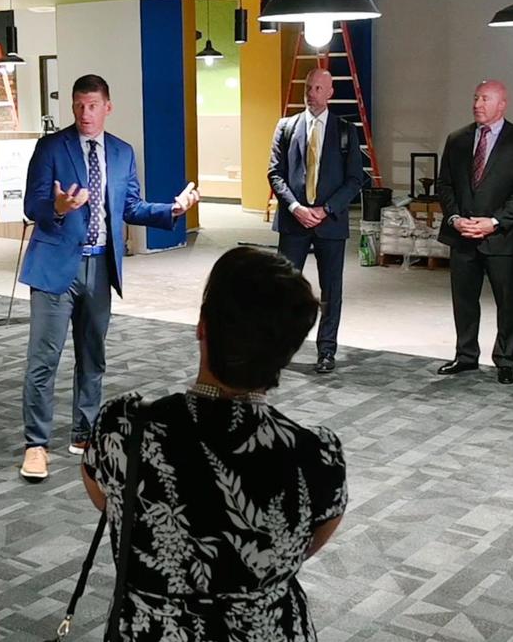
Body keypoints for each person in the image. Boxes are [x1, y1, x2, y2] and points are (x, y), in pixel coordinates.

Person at [81, 246, 346, 641]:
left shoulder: (124, 425)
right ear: (288, 350)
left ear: (202, 326)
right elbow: (306, 544)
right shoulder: (317, 454)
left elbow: (108, 502)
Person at [18, 74, 199, 481]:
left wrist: (171, 209)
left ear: (108, 106)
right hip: (54, 268)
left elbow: (130, 206)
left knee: (92, 357)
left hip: (100, 268)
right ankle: (35, 445)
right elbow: (33, 205)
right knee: (43, 360)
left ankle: (84, 434)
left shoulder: (121, 152)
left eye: (93, 105)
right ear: (72, 106)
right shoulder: (51, 147)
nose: (85, 113)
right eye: (79, 105)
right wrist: (60, 206)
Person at [436, 80, 513, 385]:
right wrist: (455, 218)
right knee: (464, 300)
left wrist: (494, 221)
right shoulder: (457, 139)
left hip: (500, 237)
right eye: (476, 98)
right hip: (462, 235)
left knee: (507, 302)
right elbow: (445, 184)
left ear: (502, 104)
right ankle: (466, 356)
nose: (477, 104)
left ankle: (505, 360)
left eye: (485, 99)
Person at [268, 67, 365, 375]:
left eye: (318, 89)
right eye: (308, 87)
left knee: (331, 290)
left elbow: (355, 179)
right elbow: (275, 173)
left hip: (330, 222)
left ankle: (326, 351)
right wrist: (295, 207)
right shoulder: (286, 126)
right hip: (294, 221)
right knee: (284, 289)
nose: (311, 93)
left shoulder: (347, 130)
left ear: (330, 92)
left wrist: (326, 209)